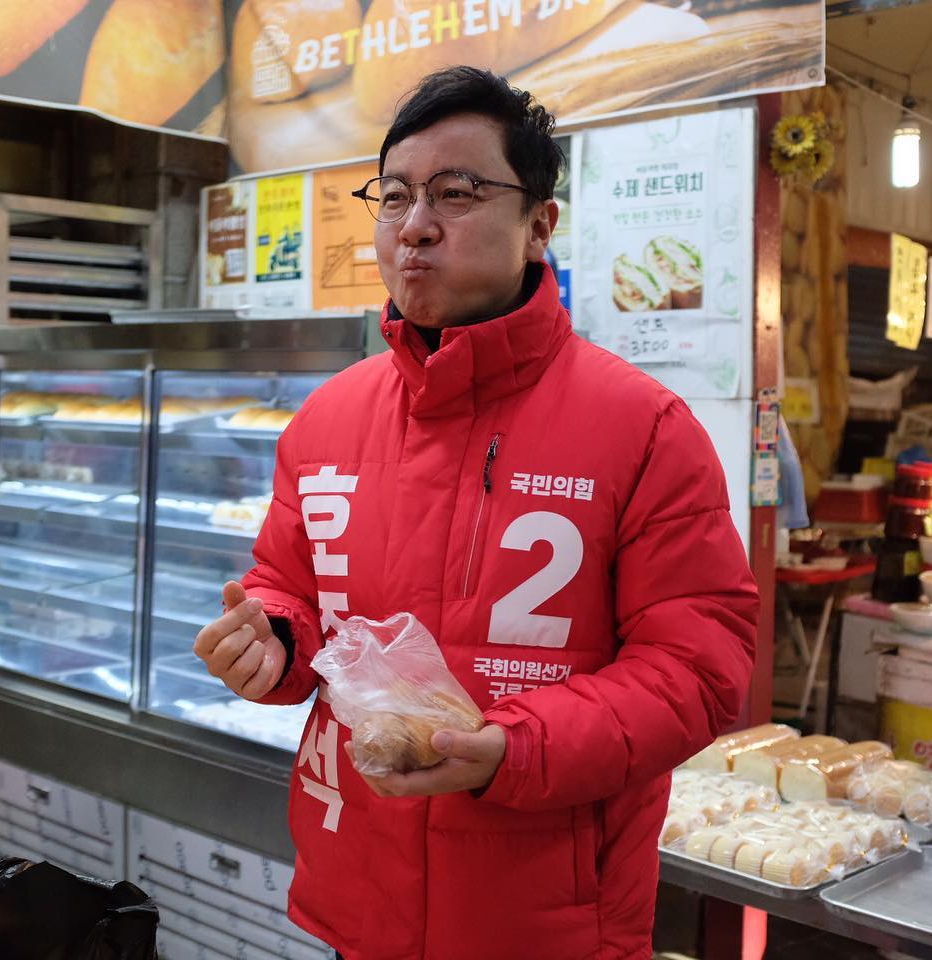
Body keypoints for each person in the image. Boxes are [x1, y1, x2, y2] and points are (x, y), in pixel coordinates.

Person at [194, 68, 758, 960]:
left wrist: (512, 749)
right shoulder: (327, 418)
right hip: (358, 894)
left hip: (546, 921)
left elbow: (698, 669)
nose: (415, 224)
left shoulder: (645, 429)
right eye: (395, 196)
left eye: (456, 193)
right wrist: (272, 640)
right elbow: (291, 590)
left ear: (539, 225)